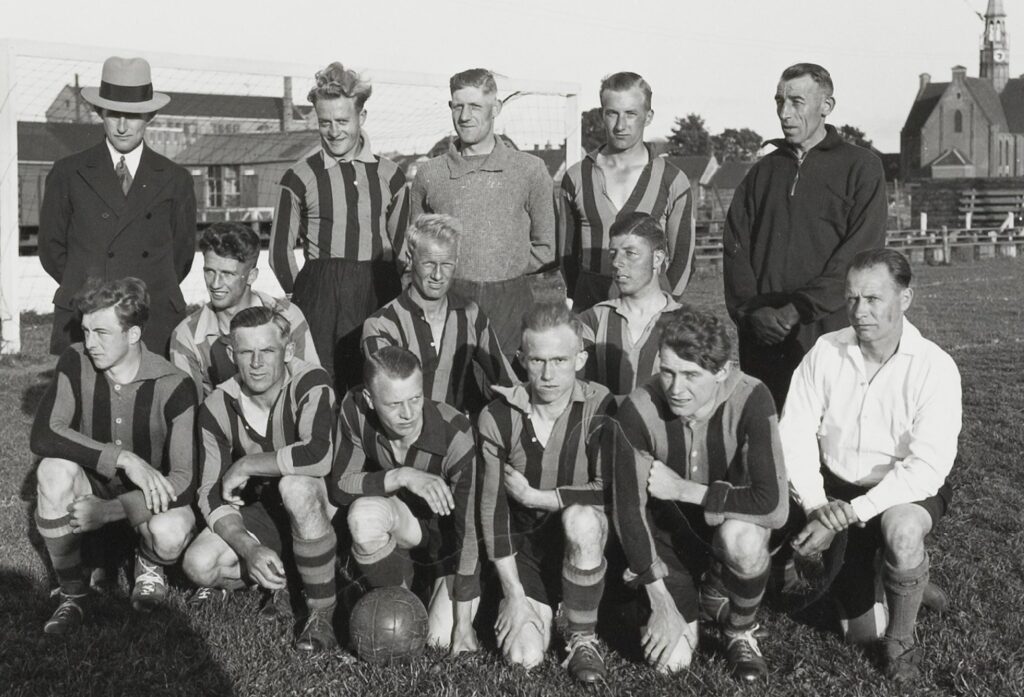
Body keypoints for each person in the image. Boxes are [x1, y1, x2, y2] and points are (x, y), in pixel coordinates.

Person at [780, 249, 961, 682]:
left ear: (905, 299)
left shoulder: (935, 367)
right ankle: (904, 579)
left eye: (874, 299)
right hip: (836, 488)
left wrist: (849, 516)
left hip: (904, 491)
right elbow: (795, 433)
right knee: (860, 636)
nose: (860, 311)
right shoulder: (826, 350)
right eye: (852, 299)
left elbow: (926, 467)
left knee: (902, 533)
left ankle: (902, 639)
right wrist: (817, 507)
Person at [612, 306, 788, 681]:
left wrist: (684, 490)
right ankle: (688, 598)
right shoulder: (639, 408)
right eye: (668, 372)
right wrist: (659, 599)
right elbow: (628, 511)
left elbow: (773, 505)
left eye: (691, 375)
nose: (676, 389)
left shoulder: (752, 397)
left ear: (722, 371)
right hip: (668, 545)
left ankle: (740, 629)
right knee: (671, 663)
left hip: (723, 537)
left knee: (744, 539)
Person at [31, 278, 197, 633]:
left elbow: (184, 479)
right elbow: (45, 433)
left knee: (172, 532)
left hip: (145, 504)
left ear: (134, 334)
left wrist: (111, 511)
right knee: (52, 470)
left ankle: (148, 562)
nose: (90, 343)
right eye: (86, 330)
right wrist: (124, 459)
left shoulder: (175, 384)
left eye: (102, 332)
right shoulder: (75, 361)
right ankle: (73, 594)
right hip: (91, 493)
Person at [723, 62, 887, 410]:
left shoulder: (861, 167)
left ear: (826, 106)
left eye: (797, 102)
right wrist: (752, 313)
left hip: (830, 331)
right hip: (764, 335)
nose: (785, 113)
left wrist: (798, 309)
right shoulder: (761, 173)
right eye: (779, 101)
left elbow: (861, 253)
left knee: (831, 440)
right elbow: (735, 247)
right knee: (771, 438)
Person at [182, 306, 342, 654]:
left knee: (295, 486)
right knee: (198, 564)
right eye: (246, 352)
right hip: (267, 513)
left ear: (288, 351)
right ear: (231, 354)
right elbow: (210, 491)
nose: (256, 362)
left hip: (324, 506)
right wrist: (248, 546)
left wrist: (248, 464)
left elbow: (318, 455)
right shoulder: (217, 405)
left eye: (267, 351)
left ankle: (321, 613)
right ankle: (283, 577)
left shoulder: (311, 382)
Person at [477, 302, 616, 683]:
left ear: (580, 358)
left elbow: (609, 491)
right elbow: (493, 510)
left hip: (582, 543)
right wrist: (515, 597)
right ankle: (539, 611)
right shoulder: (498, 416)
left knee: (582, 517)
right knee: (525, 658)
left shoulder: (601, 405)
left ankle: (582, 638)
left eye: (560, 360)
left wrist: (540, 497)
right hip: (528, 550)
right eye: (537, 361)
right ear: (521, 359)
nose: (549, 373)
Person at [38, 56, 196, 356]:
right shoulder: (68, 173)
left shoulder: (176, 179)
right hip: (85, 313)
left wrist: (142, 291)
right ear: (100, 113)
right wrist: (91, 288)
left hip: (152, 316)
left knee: (149, 400)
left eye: (133, 116)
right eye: (114, 114)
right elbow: (51, 249)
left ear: (149, 117)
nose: (122, 127)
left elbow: (182, 256)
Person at [329, 346, 480, 655]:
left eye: (415, 398)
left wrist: (464, 623)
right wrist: (402, 475)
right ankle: (402, 595)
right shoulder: (354, 410)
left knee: (438, 640)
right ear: (370, 400)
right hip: (407, 526)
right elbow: (342, 486)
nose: (409, 413)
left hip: (451, 545)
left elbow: (471, 533)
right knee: (363, 516)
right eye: (395, 404)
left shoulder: (455, 434)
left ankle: (440, 592)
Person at [270, 61, 408, 393]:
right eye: (325, 123)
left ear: (362, 117)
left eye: (343, 121)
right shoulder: (300, 176)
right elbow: (278, 250)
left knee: (377, 379)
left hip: (378, 288)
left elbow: (403, 249)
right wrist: (301, 298)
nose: (334, 132)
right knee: (321, 381)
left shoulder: (390, 175)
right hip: (321, 291)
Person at [408, 68, 556, 356]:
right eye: (458, 106)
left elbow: (546, 247)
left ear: (495, 108)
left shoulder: (529, 169)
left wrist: (502, 271)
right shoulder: (430, 174)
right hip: (447, 299)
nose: (465, 116)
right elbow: (414, 250)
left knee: (506, 389)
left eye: (475, 106)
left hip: (510, 302)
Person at [558, 72, 695, 311]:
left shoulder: (672, 179)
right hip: (591, 304)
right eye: (612, 113)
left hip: (650, 308)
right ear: (602, 115)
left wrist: (664, 304)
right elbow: (567, 254)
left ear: (648, 116)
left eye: (631, 114)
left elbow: (684, 257)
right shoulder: (576, 177)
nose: (621, 125)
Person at [362, 214, 514, 416]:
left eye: (447, 265)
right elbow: (390, 403)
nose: (438, 275)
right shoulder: (381, 325)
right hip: (405, 435)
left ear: (457, 262)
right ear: (409, 259)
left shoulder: (471, 314)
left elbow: (507, 382)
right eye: (429, 264)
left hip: (461, 436)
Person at [171, 222, 318, 399]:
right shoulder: (187, 335)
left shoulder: (288, 315)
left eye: (227, 274)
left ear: (252, 276)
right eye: (209, 272)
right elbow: (190, 409)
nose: (215, 284)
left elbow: (313, 385)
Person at [579, 212, 682, 398]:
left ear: (657, 259)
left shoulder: (685, 322)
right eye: (613, 254)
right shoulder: (592, 320)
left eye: (630, 253)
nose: (617, 263)